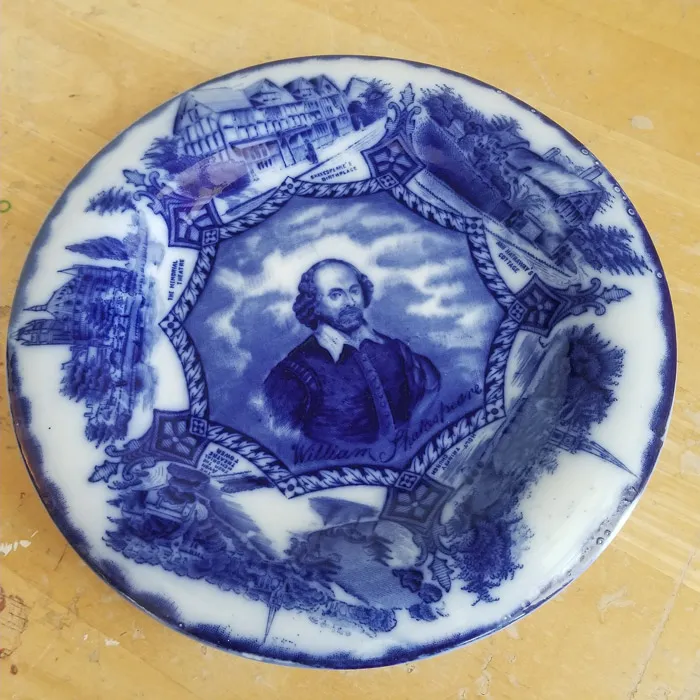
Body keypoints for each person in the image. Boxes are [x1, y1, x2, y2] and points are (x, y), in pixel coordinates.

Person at [263, 259, 440, 444]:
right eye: (336, 295)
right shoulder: (291, 373)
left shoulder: (397, 351)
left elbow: (428, 392)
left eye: (354, 291)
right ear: (313, 305)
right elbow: (282, 439)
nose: (350, 302)